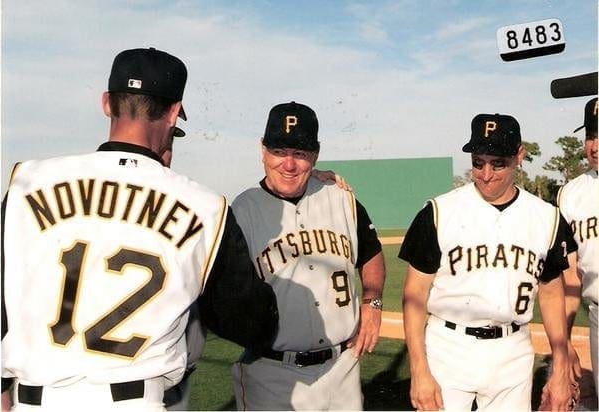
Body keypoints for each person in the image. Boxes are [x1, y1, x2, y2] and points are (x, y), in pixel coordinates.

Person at [1, 47, 278, 411]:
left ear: (106, 103)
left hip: (34, 401)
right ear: (175, 111)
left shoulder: (27, 183)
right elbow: (251, 323)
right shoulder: (205, 206)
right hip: (134, 401)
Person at [400, 113, 577, 411]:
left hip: (513, 351)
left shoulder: (546, 217)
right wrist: (418, 370)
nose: (486, 174)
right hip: (448, 347)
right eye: (478, 162)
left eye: (498, 164)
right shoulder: (438, 212)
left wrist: (560, 363)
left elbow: (550, 292)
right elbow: (414, 294)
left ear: (519, 155)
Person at [230, 101, 386, 410]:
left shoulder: (342, 199)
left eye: (300, 154)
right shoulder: (241, 211)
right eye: (279, 151)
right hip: (272, 374)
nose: (288, 164)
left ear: (314, 155)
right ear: (262, 150)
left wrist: (373, 300)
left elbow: (372, 254)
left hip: (343, 368)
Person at [559, 97, 598, 395]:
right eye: (590, 136)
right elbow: (569, 275)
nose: (594, 146)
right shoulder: (570, 195)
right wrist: (565, 342)